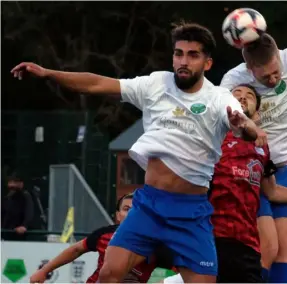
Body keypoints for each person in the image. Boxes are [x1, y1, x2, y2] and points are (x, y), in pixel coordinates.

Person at [11, 22, 266, 283]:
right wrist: (48, 73)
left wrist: (244, 126)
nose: (183, 61)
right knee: (110, 272)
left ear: (207, 63)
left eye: (193, 55)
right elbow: (98, 83)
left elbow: (246, 126)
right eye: (179, 53)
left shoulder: (219, 97)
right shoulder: (156, 84)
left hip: (191, 212)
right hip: (149, 206)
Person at [162, 84, 287, 283]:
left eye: (250, 96)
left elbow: (272, 192)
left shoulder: (262, 147)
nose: (243, 98)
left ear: (258, 111)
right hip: (209, 234)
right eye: (237, 95)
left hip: (245, 243)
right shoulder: (209, 134)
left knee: (271, 249)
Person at [220, 33, 287, 283]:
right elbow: (225, 115)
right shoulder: (233, 80)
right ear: (249, 68)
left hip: (282, 166)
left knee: (285, 245)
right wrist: (251, 127)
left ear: (279, 55)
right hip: (250, 169)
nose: (274, 79)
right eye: (266, 77)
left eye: (277, 72)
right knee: (268, 247)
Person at [30, 193, 172, 283]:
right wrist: (44, 270)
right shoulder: (104, 235)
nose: (131, 214)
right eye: (126, 209)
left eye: (136, 209)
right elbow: (76, 249)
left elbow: (187, 271)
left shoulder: (156, 245)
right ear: (118, 215)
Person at [1, 174, 34, 241]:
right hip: (6, 233)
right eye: (10, 182)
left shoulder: (25, 195)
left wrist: (24, 226)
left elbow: (29, 212)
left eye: (15, 182)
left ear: (21, 184)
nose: (12, 185)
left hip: (20, 235)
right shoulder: (7, 197)